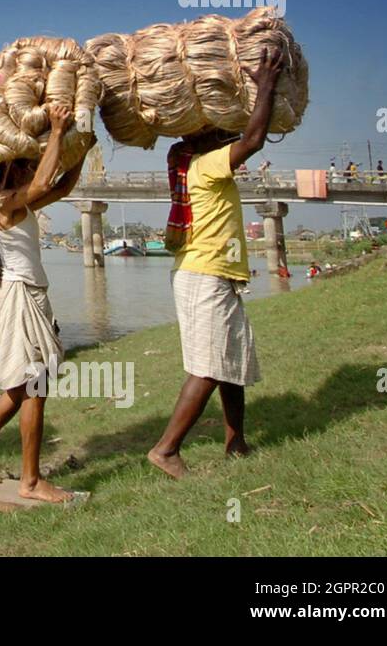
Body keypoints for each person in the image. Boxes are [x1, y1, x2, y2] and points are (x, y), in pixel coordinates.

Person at [148, 47, 284, 479]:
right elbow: (254, 139)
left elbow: (245, 137)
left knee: (232, 364)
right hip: (204, 275)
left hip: (212, 274)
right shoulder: (207, 166)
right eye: (214, 129)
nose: (224, 133)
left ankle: (236, 442)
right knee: (208, 367)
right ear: (199, 138)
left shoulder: (195, 164)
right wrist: (265, 85)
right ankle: (166, 449)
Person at [0, 104, 87, 503]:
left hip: (31, 294)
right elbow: (47, 177)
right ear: (14, 171)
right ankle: (31, 481)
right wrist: (60, 129)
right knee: (35, 384)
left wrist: (80, 152)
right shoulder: (4, 204)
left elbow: (60, 187)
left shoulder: (23, 204)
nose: (35, 171)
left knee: (28, 383)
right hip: (19, 295)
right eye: (28, 166)